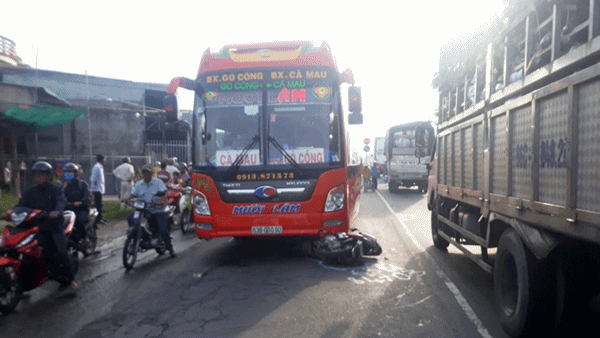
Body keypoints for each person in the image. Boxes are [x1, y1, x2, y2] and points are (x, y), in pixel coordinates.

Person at [14, 161, 78, 289]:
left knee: (61, 251)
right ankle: (23, 280)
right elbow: (20, 206)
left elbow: (61, 202)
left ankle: (72, 279)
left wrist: (56, 212)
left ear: (49, 176)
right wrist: (10, 213)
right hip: (35, 226)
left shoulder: (56, 189)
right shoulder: (30, 192)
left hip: (52, 226)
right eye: (36, 175)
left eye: (41, 174)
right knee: (18, 247)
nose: (38, 177)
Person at [123, 165, 176, 258]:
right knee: (131, 218)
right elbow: (132, 194)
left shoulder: (158, 182)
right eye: (144, 172)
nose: (146, 174)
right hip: (143, 209)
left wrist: (159, 202)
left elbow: (165, 194)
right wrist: (127, 199)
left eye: (148, 172)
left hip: (157, 210)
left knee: (163, 230)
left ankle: (170, 249)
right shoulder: (139, 184)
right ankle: (136, 236)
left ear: (151, 173)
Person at [63, 163, 92, 255]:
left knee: (79, 220)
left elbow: (87, 195)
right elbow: (61, 197)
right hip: (69, 208)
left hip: (81, 209)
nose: (68, 174)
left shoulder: (82, 184)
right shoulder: (64, 185)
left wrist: (81, 202)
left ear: (76, 173)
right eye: (66, 172)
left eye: (70, 172)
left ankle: (85, 237)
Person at [90, 154, 106, 225]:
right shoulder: (96, 167)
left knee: (99, 205)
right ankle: (97, 219)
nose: (104, 161)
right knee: (97, 205)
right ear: (101, 160)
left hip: (99, 188)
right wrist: (93, 189)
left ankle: (100, 217)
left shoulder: (100, 167)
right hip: (97, 189)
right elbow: (93, 179)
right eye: (103, 159)